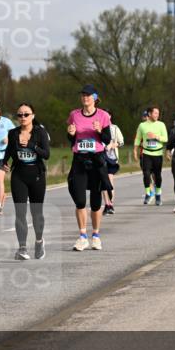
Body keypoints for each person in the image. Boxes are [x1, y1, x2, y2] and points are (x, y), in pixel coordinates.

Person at [66, 85, 112, 251]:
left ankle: (96, 236)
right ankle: (82, 236)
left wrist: (100, 131)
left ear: (95, 97)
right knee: (79, 200)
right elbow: (71, 139)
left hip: (96, 160)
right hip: (79, 159)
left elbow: (107, 139)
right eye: (83, 95)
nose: (85, 98)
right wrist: (70, 134)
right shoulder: (74, 115)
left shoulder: (103, 115)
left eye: (88, 95)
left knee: (95, 202)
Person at [3, 103, 51, 260]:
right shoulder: (13, 133)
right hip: (19, 175)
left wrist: (31, 145)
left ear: (33, 116)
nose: (23, 117)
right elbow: (9, 150)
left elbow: (46, 154)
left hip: (37, 175)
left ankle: (38, 241)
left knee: (36, 212)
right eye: (20, 115)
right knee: (20, 212)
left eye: (26, 114)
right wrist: (4, 162)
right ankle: (22, 248)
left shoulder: (40, 132)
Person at [134, 106, 167, 205]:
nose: (157, 115)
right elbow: (138, 139)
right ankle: (148, 193)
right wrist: (135, 151)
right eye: (155, 113)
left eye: (158, 113)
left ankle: (158, 195)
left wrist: (156, 137)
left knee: (157, 176)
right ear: (149, 114)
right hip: (146, 153)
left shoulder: (161, 125)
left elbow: (165, 138)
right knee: (146, 174)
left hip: (158, 153)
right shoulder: (142, 125)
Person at [101, 110, 124, 214]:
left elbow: (121, 142)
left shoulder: (114, 128)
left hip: (112, 158)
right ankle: (107, 204)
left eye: (107, 115)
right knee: (102, 182)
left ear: (110, 116)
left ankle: (111, 203)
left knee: (110, 181)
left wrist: (114, 145)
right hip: (101, 157)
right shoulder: (99, 128)